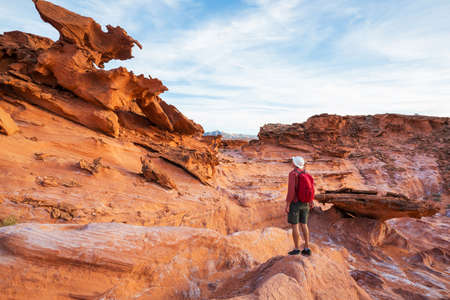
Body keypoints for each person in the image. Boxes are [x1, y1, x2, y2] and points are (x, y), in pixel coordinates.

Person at [285, 156, 315, 256]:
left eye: (292, 161)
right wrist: (311, 200)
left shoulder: (293, 174)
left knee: (295, 226)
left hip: (296, 203)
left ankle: (297, 249)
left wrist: (288, 204)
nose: (291, 162)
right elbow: (311, 188)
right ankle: (306, 248)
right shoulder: (306, 173)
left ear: (295, 163)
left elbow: (291, 191)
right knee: (304, 224)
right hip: (306, 202)